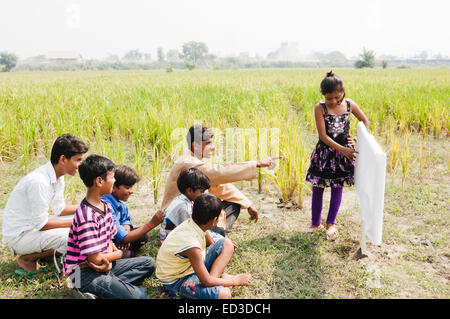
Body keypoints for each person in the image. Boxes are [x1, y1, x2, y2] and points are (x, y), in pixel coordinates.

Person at [63, 155, 155, 299]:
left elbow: (109, 240)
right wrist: (117, 254)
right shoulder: (87, 216)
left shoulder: (105, 206)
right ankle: (85, 287)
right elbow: (96, 260)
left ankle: (100, 291)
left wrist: (111, 258)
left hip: (105, 266)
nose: (115, 181)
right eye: (112, 177)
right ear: (100, 181)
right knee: (138, 295)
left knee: (149, 263)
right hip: (83, 273)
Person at [161, 124, 275, 232]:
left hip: (186, 214)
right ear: (195, 145)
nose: (213, 147)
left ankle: (213, 229)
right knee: (229, 208)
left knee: (234, 203)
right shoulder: (189, 163)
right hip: (179, 219)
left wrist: (247, 203)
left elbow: (219, 185)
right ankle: (214, 232)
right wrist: (257, 163)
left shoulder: (192, 159)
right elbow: (220, 172)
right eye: (208, 143)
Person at [2, 134, 88, 276]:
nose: (81, 164)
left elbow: (59, 209)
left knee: (84, 217)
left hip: (34, 229)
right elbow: (42, 224)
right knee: (75, 236)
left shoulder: (58, 177)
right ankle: (28, 258)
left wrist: (89, 208)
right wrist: (74, 222)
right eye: (78, 160)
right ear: (62, 159)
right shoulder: (39, 182)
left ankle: (48, 254)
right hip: (20, 237)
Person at [305, 70, 369, 239]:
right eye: (329, 98)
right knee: (317, 188)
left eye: (337, 98)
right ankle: (315, 223)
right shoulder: (320, 108)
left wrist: (356, 139)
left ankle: (331, 223)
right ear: (323, 96)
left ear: (343, 92)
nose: (333, 101)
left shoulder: (349, 105)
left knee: (337, 187)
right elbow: (323, 136)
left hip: (343, 156)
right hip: (325, 153)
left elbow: (364, 121)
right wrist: (343, 149)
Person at [156, 193, 252, 299]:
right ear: (214, 220)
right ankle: (217, 283)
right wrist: (235, 281)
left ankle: (215, 281)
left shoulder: (194, 223)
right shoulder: (192, 246)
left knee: (227, 244)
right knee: (224, 295)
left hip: (190, 268)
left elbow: (210, 242)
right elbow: (205, 281)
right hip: (177, 280)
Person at [102, 164, 164, 258]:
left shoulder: (120, 203)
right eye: (127, 187)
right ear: (114, 187)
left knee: (144, 236)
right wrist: (151, 224)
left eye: (132, 187)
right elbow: (122, 236)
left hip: (118, 237)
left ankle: (124, 247)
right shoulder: (106, 205)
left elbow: (126, 221)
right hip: (105, 243)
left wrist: (125, 233)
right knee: (128, 254)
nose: (132, 191)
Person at [160, 167, 224, 243]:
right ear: (189, 190)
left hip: (177, 235)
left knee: (218, 231)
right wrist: (211, 242)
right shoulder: (183, 208)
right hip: (172, 242)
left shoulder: (181, 198)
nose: (203, 195)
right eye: (201, 191)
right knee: (219, 237)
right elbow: (192, 229)